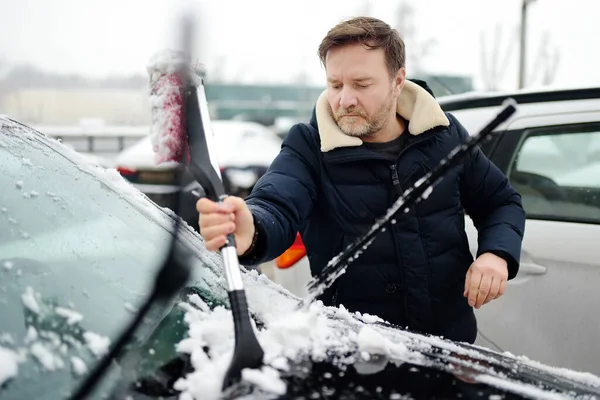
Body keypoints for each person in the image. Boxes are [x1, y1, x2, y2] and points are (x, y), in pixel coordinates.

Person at [196, 16, 526, 343]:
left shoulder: (444, 135)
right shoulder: (310, 147)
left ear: (398, 81)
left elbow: (500, 202)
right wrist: (253, 228)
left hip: (450, 345)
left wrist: (496, 253)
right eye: (335, 84)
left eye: (361, 84)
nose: (345, 99)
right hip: (356, 352)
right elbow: (277, 203)